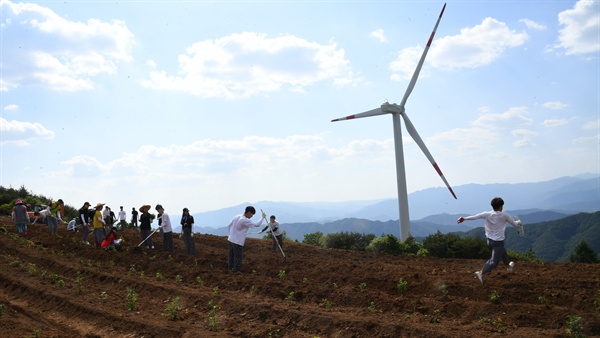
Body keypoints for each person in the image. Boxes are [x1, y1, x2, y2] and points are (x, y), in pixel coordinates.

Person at [457, 197, 522, 284]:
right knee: (494, 262)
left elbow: (475, 217)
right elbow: (514, 224)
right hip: (498, 242)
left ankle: (509, 265)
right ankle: (481, 273)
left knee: (502, 251)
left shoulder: (487, 214)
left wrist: (464, 218)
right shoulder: (505, 215)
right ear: (501, 206)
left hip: (489, 241)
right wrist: (519, 222)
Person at [227, 206, 266, 273]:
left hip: (231, 239)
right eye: (252, 214)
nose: (251, 216)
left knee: (231, 256)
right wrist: (263, 217)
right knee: (238, 257)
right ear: (248, 212)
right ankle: (237, 272)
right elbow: (257, 224)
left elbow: (229, 225)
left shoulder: (237, 216)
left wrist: (232, 234)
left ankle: (230, 270)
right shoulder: (244, 220)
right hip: (238, 242)